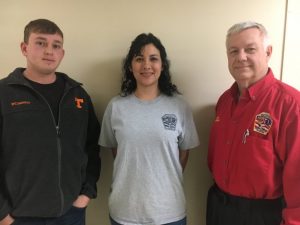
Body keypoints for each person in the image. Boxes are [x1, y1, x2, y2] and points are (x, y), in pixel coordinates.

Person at [0, 19, 101, 225]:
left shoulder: (77, 96)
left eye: (56, 45)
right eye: (40, 43)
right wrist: (2, 213)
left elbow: (92, 147)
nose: (49, 51)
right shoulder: (3, 94)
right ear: (24, 48)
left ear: (62, 53)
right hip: (19, 218)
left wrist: (87, 193)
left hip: (71, 214)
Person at [99, 33, 199, 225]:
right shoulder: (116, 107)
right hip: (125, 212)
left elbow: (183, 154)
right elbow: (116, 152)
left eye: (153, 59)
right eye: (139, 59)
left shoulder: (180, 106)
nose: (146, 65)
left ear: (162, 65)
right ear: (130, 66)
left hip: (170, 213)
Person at [207, 21, 300, 225]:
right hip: (219, 208)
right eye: (233, 51)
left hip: (262, 216)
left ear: (268, 52)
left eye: (250, 49)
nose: (241, 57)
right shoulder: (224, 101)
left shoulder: (291, 105)